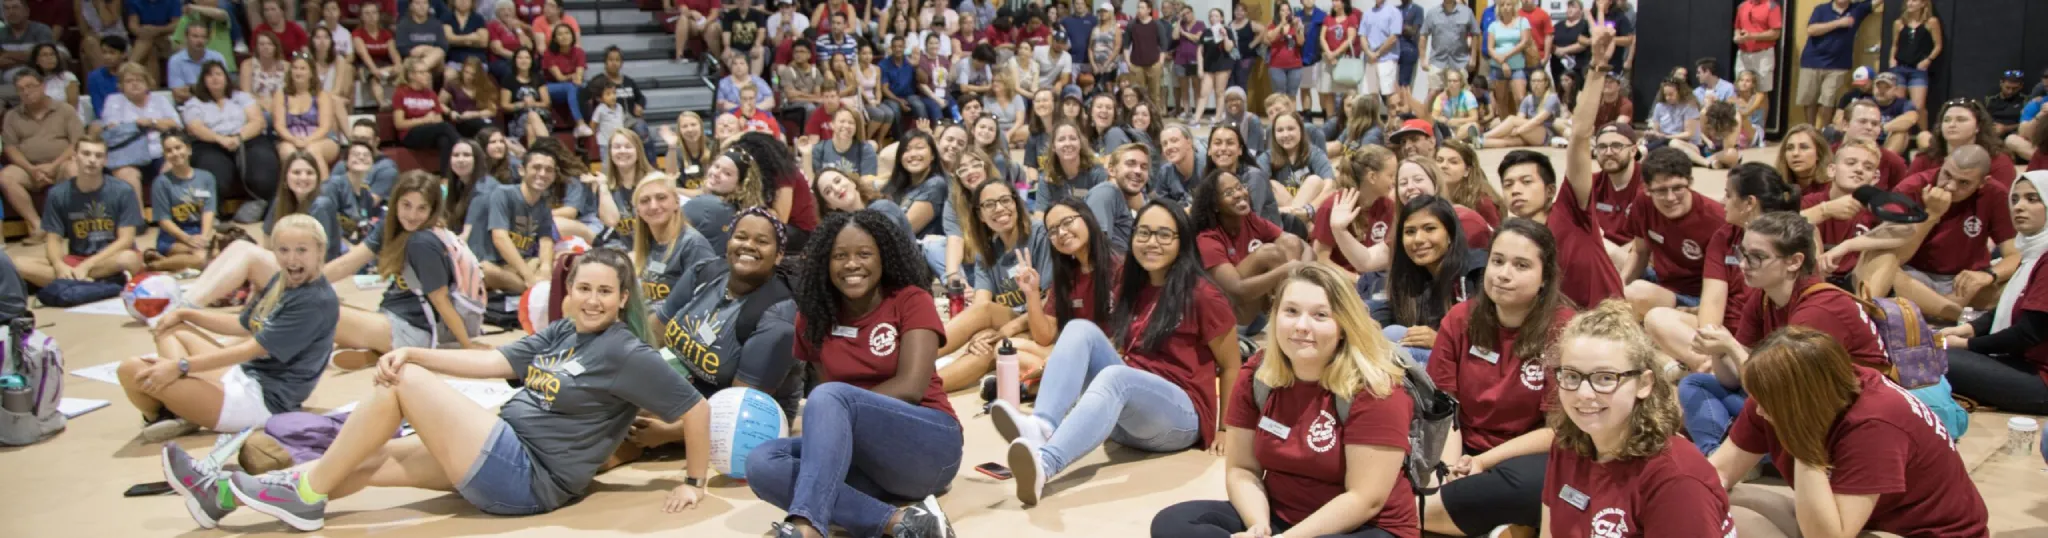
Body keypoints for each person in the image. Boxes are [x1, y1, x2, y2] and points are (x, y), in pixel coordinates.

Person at [166, 248, 712, 531]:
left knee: (400, 384)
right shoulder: (565, 330)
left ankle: (303, 499)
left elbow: (694, 407)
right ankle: (224, 495)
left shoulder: (626, 351)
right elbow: (493, 360)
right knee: (363, 454)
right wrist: (412, 350)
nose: (592, 300)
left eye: (605, 292)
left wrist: (694, 481)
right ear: (570, 292)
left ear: (622, 299)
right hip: (500, 445)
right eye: (584, 288)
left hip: (530, 478)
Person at [989, 200, 1239, 505]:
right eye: (1144, 233)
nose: (1152, 243)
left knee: (1116, 376)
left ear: (1181, 240)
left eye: (1164, 235)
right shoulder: (1134, 286)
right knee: (1080, 330)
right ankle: (1042, 425)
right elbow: (1053, 334)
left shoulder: (1203, 294)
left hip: (1180, 419)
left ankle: (1044, 464)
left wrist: (1226, 429)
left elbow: (1230, 365)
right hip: (1129, 413)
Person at [1149, 263, 1418, 538]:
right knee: (1172, 524)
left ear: (1344, 326)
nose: (1301, 326)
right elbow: (1243, 469)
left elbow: (1364, 499)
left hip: (1364, 526)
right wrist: (1259, 526)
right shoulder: (1257, 375)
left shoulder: (1376, 389)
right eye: (1290, 311)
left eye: (1320, 315)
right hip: (1279, 516)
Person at [748, 210, 961, 538]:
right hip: (865, 461)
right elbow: (829, 396)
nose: (851, 264)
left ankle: (806, 526)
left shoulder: (910, 300)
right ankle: (902, 522)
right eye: (839, 256)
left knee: (828, 398)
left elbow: (911, 387)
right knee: (762, 462)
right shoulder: (814, 316)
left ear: (883, 258)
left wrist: (839, 412)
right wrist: (834, 424)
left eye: (864, 254)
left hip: (929, 445)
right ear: (824, 262)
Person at [1709, 327, 1987, 537]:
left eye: (1767, 404)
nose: (1759, 411)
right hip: (1869, 522)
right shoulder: (1786, 392)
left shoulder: (1875, 422)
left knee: (1740, 527)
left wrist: (1803, 439)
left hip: (1924, 533)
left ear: (1802, 402)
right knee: (1721, 502)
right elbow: (1717, 474)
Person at [1681, 211, 1906, 457]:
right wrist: (1718, 351)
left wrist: (1731, 347)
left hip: (1845, 418)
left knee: (1759, 406)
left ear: (1794, 261)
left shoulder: (1819, 308)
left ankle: (1747, 458)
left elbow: (1778, 390)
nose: (1743, 264)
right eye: (1742, 253)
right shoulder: (1764, 296)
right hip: (1795, 401)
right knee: (1695, 384)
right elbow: (1734, 380)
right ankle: (1718, 454)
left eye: (1756, 257)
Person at [117, 213, 336, 445]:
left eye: (301, 250)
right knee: (170, 328)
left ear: (320, 252)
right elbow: (243, 324)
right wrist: (184, 313)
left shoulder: (314, 301)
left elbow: (250, 350)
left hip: (262, 402)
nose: (292, 259)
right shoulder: (282, 280)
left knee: (130, 369)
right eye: (283, 250)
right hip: (245, 375)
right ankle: (177, 411)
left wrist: (180, 367)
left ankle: (169, 410)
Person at [1419, 219, 1576, 537]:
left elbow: (1558, 430)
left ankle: (1447, 515)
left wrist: (1483, 463)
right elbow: (1446, 409)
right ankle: (1494, 523)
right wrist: (1453, 468)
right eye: (1498, 261)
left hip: (1526, 459)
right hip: (1463, 451)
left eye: (1521, 265)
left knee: (1539, 483)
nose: (1504, 274)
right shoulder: (1459, 319)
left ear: (1544, 278)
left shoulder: (1565, 330)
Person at [1540, 300, 1736, 537]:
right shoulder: (1566, 444)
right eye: (1571, 376)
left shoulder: (1677, 479)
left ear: (1643, 384)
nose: (1583, 393)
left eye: (1604, 378)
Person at [640, 207, 799, 458]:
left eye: (762, 241)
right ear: (728, 243)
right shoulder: (704, 272)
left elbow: (738, 413)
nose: (748, 245)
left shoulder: (777, 320)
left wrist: (668, 432)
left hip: (742, 424)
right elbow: (653, 333)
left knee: (617, 437)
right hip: (684, 389)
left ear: (778, 255)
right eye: (741, 237)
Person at [1639, 163, 1801, 377]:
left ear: (1749, 203)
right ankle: (1717, 370)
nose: (1722, 202)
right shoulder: (1724, 236)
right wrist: (1711, 344)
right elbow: (1712, 303)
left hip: (1772, 337)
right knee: (1657, 318)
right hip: (1728, 334)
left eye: (1728, 195)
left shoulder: (1792, 239)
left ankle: (1723, 373)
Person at [1943, 171, 2048, 414]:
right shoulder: (2033, 251)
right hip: (2025, 363)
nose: (2019, 207)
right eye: (2015, 200)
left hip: (2041, 380)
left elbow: (2028, 333)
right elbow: (2012, 308)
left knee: (1935, 359)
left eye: (2033, 199)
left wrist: (1967, 344)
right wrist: (1967, 329)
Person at [935, 179, 1049, 390]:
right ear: (980, 214)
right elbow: (981, 307)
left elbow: (1052, 301)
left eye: (1005, 200)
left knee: (997, 346)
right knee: (984, 338)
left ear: (1016, 203)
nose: (999, 208)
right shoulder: (986, 253)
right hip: (1011, 320)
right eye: (989, 204)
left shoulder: (1040, 234)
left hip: (1044, 322)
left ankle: (917, 391)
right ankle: (906, 366)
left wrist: (1009, 328)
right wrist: (979, 335)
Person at [1368, 195, 1482, 366]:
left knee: (1394, 337)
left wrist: (1442, 342)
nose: (1418, 239)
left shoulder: (1476, 272)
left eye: (1429, 229)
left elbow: (1492, 348)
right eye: (1410, 232)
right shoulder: (1408, 280)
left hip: (1473, 368)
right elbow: (1384, 316)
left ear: (1450, 234)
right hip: (1432, 365)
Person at [15, 138, 145, 287]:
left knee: (129, 259)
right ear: (75, 157)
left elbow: (126, 240)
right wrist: (58, 265)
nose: (92, 160)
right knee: (18, 264)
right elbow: (54, 240)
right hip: (76, 258)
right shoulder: (57, 194)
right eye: (86, 154)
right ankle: (86, 281)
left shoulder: (123, 190)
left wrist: (88, 265)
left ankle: (69, 281)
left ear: (105, 161)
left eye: (98, 156)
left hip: (109, 258)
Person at [1617, 148, 1725, 322]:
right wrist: (1618, 287)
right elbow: (1639, 251)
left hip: (1696, 297)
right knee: (1604, 252)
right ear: (1647, 189)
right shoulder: (1643, 203)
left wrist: (1704, 311)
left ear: (1690, 182)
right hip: (1661, 279)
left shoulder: (1716, 219)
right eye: (1660, 190)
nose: (1670, 197)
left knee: (1636, 292)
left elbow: (1729, 280)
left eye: (1678, 188)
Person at [1193, 166, 1306, 321]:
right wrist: (1287, 269)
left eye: (1239, 187)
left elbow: (1296, 244)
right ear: (1215, 206)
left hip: (1258, 306)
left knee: (1292, 243)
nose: (1239, 194)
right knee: (1269, 253)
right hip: (1230, 314)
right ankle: (1289, 311)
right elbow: (1237, 290)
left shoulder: (1248, 219)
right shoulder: (1207, 239)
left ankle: (1291, 308)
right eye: (1229, 193)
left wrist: (1298, 268)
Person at [0, 71, 86, 238]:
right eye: (21, 89)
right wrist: (31, 169)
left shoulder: (65, 110)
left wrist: (53, 166)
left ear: (43, 86)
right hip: (30, 169)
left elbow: (77, 142)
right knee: (5, 176)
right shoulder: (12, 115)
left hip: (62, 164)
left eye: (30, 86)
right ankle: (38, 225)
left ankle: (75, 223)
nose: (26, 91)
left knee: (74, 169)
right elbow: (10, 148)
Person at [182, 61, 268, 214]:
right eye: (209, 75)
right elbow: (195, 127)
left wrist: (238, 137)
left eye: (218, 74)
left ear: (226, 78)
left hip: (245, 138)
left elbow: (257, 121)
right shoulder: (194, 103)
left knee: (262, 168)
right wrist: (220, 139)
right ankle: (213, 214)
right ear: (203, 80)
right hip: (210, 143)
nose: (215, 78)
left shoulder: (241, 97)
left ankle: (260, 205)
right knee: (217, 176)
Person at [473, 149, 559, 291]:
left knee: (557, 262)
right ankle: (534, 291)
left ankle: (534, 289)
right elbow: (500, 238)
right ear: (521, 170)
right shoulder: (503, 194)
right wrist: (528, 276)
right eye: (536, 168)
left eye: (549, 170)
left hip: (522, 264)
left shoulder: (544, 204)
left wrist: (545, 268)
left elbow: (546, 240)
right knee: (485, 270)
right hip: (496, 264)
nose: (543, 174)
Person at [1797, 0, 1873, 128]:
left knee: (1828, 100)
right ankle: (1810, 131)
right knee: (1809, 99)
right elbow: (1811, 30)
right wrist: (1839, 23)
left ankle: (1825, 132)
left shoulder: (1857, 9)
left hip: (1838, 64)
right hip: (1812, 61)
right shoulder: (1821, 9)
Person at [145, 134, 216, 272]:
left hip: (199, 232)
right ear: (165, 155)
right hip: (173, 237)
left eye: (178, 148)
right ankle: (156, 266)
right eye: (169, 150)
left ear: (188, 149)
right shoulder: (161, 183)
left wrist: (204, 237)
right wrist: (187, 239)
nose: (175, 153)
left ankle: (164, 261)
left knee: (216, 254)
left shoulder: (206, 177)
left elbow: (209, 210)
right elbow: (163, 220)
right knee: (202, 258)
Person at [1912, 99, 2018, 188]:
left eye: (1961, 120)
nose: (1952, 125)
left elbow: (2001, 201)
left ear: (1978, 127)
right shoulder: (1925, 159)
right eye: (1947, 120)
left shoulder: (1998, 161)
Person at [1262, 112, 1335, 220]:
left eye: (1291, 129)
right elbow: (1258, 188)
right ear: (1274, 134)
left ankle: (1295, 222)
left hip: (1308, 214)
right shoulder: (1267, 156)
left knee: (1314, 181)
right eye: (1280, 130)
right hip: (1288, 216)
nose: (1285, 135)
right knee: (1271, 184)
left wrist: (1309, 210)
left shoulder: (1315, 153)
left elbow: (1331, 187)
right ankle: (1301, 225)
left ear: (1301, 130)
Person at [271, 57, 339, 169]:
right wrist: (294, 140)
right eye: (295, 68)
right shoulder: (281, 94)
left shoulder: (321, 95)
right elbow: (279, 125)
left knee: (312, 151)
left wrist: (307, 141)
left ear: (311, 73)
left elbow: (325, 126)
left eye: (303, 69)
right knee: (289, 153)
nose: (298, 72)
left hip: (320, 139)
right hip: (290, 139)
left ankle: (324, 186)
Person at [1035, 121, 1108, 214]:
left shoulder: (1097, 172)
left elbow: (1103, 212)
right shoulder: (1046, 178)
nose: (1068, 143)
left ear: (1080, 144)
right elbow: (1039, 215)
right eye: (1061, 139)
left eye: (1073, 138)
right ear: (1053, 147)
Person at [1890, 0, 1941, 131]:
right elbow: (1895, 44)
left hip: (1917, 70)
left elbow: (1938, 45)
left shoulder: (1931, 22)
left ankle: (1924, 134)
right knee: (1897, 103)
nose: (1910, 3)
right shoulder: (1899, 23)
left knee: (1918, 106)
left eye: (1914, 0)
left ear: (1923, 4)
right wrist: (1891, 59)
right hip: (1900, 67)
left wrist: (1928, 59)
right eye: (1908, 1)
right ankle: (1898, 133)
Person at [1482, 69, 1560, 149]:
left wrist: (1518, 130)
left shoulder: (1552, 98)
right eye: (1533, 81)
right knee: (1507, 141)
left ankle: (1483, 136)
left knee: (1512, 119)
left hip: (1546, 134)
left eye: (1539, 81)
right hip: (1529, 130)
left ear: (1546, 83)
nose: (1536, 84)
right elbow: (1520, 118)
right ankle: (1481, 142)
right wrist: (1515, 131)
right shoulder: (1527, 99)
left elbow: (1537, 120)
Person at [1434, 141, 1503, 228]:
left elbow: (1495, 236)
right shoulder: (1430, 194)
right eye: (1439, 160)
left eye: (1453, 162)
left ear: (1467, 170)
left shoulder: (1482, 203)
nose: (1443, 165)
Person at [540, 24, 591, 136]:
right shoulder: (549, 53)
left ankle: (587, 125)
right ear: (554, 38)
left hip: (572, 86)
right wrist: (573, 77)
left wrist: (575, 77)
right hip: (550, 87)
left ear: (572, 36)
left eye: (567, 33)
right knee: (571, 86)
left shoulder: (579, 52)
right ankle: (580, 123)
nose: (564, 36)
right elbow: (560, 78)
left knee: (584, 87)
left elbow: (579, 76)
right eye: (560, 34)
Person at [1732, 0, 1782, 97]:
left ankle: (1761, 113)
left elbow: (1775, 33)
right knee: (1740, 88)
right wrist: (1737, 36)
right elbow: (1737, 27)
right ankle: (1742, 112)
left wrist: (1751, 36)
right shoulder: (1742, 5)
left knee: (1762, 92)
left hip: (1763, 54)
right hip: (1743, 53)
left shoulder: (1772, 6)